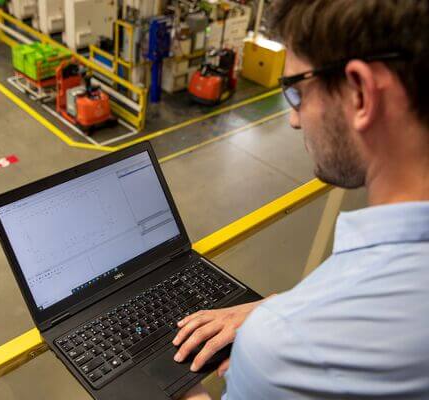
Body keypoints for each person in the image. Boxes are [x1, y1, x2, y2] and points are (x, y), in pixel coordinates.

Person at [174, 0, 429, 398]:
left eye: (296, 93)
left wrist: (175, 390)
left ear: (360, 92)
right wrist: (285, 305)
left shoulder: (284, 349)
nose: (293, 119)